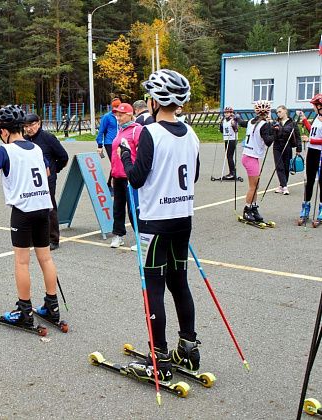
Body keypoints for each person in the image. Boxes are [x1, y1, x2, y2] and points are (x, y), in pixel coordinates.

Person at [118, 69, 201, 384]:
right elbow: (193, 176)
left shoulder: (150, 132)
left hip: (155, 222)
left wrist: (126, 156)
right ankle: (188, 347)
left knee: (154, 286)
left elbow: (136, 179)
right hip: (183, 218)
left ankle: (160, 357)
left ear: (154, 101)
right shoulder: (191, 133)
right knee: (179, 282)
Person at [0, 104, 62, 328]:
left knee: (22, 261)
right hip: (43, 208)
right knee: (46, 258)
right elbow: (47, 172)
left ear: (5, 131)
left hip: (23, 211)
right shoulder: (36, 148)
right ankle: (52, 306)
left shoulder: (5, 150)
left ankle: (24, 311)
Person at [23, 113, 69, 251]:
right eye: (26, 126)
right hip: (31, 180)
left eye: (31, 125)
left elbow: (63, 157)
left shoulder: (48, 138)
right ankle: (36, 237)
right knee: (33, 208)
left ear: (38, 123)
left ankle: (53, 238)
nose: (29, 129)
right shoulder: (24, 140)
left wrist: (54, 170)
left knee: (49, 208)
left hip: (47, 179)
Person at [108, 103, 143, 249]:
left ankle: (141, 238)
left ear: (130, 114)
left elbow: (141, 153)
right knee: (118, 207)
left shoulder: (137, 130)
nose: (118, 117)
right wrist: (112, 173)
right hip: (117, 175)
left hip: (130, 176)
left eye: (121, 115)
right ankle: (118, 235)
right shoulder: (120, 130)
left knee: (133, 208)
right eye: (117, 115)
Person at [237, 100, 275, 223]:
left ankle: (253, 207)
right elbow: (268, 142)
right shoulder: (264, 124)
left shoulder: (251, 121)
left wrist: (236, 118)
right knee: (253, 187)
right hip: (251, 157)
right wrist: (275, 131)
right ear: (267, 112)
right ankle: (247, 209)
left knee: (256, 185)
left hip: (249, 156)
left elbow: (241, 123)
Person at [296, 94, 322, 225]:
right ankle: (305, 208)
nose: (313, 108)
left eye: (314, 106)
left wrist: (310, 140)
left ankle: (321, 210)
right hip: (312, 152)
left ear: (320, 106)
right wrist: (304, 119)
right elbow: (313, 130)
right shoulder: (317, 117)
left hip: (320, 153)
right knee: (309, 181)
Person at [272, 105, 302, 195]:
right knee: (279, 166)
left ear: (285, 111)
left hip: (287, 146)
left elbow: (298, 136)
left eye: (280, 111)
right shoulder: (276, 122)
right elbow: (271, 134)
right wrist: (273, 129)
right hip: (277, 146)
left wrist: (299, 148)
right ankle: (285, 186)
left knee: (286, 166)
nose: (278, 114)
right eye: (277, 112)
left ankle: (282, 185)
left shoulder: (292, 123)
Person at [96, 98, 121, 190]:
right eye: (115, 107)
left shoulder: (121, 116)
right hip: (109, 143)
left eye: (118, 106)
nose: (116, 109)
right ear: (112, 107)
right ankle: (111, 185)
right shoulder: (107, 117)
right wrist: (100, 145)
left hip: (119, 142)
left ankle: (110, 183)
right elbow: (101, 131)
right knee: (115, 163)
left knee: (118, 163)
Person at [218, 106, 239, 180]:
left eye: (228, 113)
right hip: (226, 139)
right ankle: (231, 172)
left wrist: (234, 125)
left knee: (229, 156)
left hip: (232, 139)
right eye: (225, 113)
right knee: (228, 156)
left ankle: (232, 173)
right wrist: (220, 124)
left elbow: (236, 130)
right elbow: (222, 131)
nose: (226, 114)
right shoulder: (224, 120)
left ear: (231, 113)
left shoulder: (233, 120)